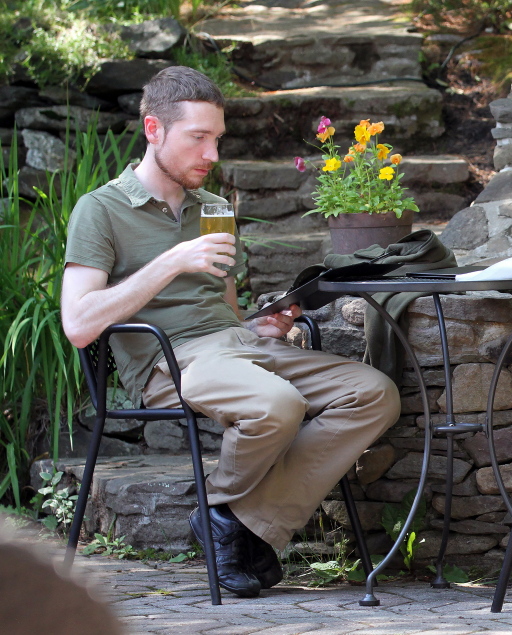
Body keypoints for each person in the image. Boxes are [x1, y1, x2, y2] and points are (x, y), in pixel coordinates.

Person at [60, 66, 401, 598]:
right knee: (274, 404)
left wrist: (260, 326)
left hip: (235, 349)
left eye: (216, 139)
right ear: (153, 130)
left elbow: (222, 312)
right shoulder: (100, 210)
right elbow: (78, 324)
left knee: (373, 394)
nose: (211, 155)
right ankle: (233, 520)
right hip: (169, 364)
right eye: (198, 138)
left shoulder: (214, 210)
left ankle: (235, 520)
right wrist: (172, 261)